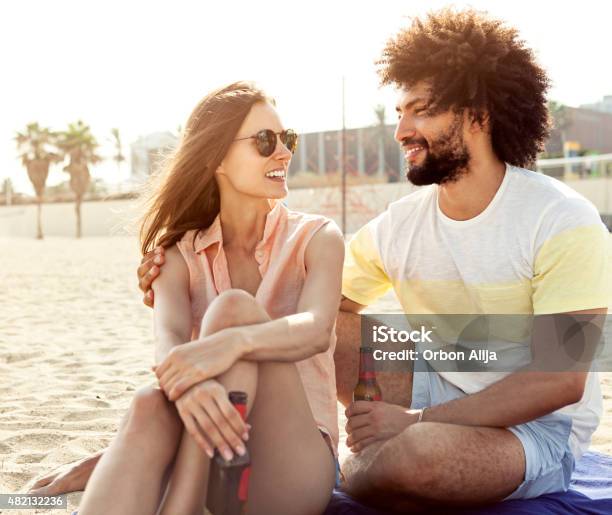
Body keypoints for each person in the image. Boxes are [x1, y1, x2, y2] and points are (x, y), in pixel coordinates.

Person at [31, 8, 610, 512]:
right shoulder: (401, 224)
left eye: (422, 111)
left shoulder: (562, 220)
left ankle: (363, 463)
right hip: (434, 382)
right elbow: (317, 310)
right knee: (325, 324)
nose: (402, 129)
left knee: (419, 459)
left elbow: (559, 379)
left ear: (479, 115)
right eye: (401, 111)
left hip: (535, 428)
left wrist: (412, 423)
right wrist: (176, 280)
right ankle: (228, 456)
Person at [46, 81, 344, 515]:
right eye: (265, 141)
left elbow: (316, 330)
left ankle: (180, 506)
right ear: (216, 157)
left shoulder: (317, 238)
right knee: (150, 401)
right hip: (210, 450)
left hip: (292, 468)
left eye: (287, 139)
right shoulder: (176, 257)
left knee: (234, 310)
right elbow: (167, 352)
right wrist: (188, 387)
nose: (283, 153)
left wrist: (233, 341)